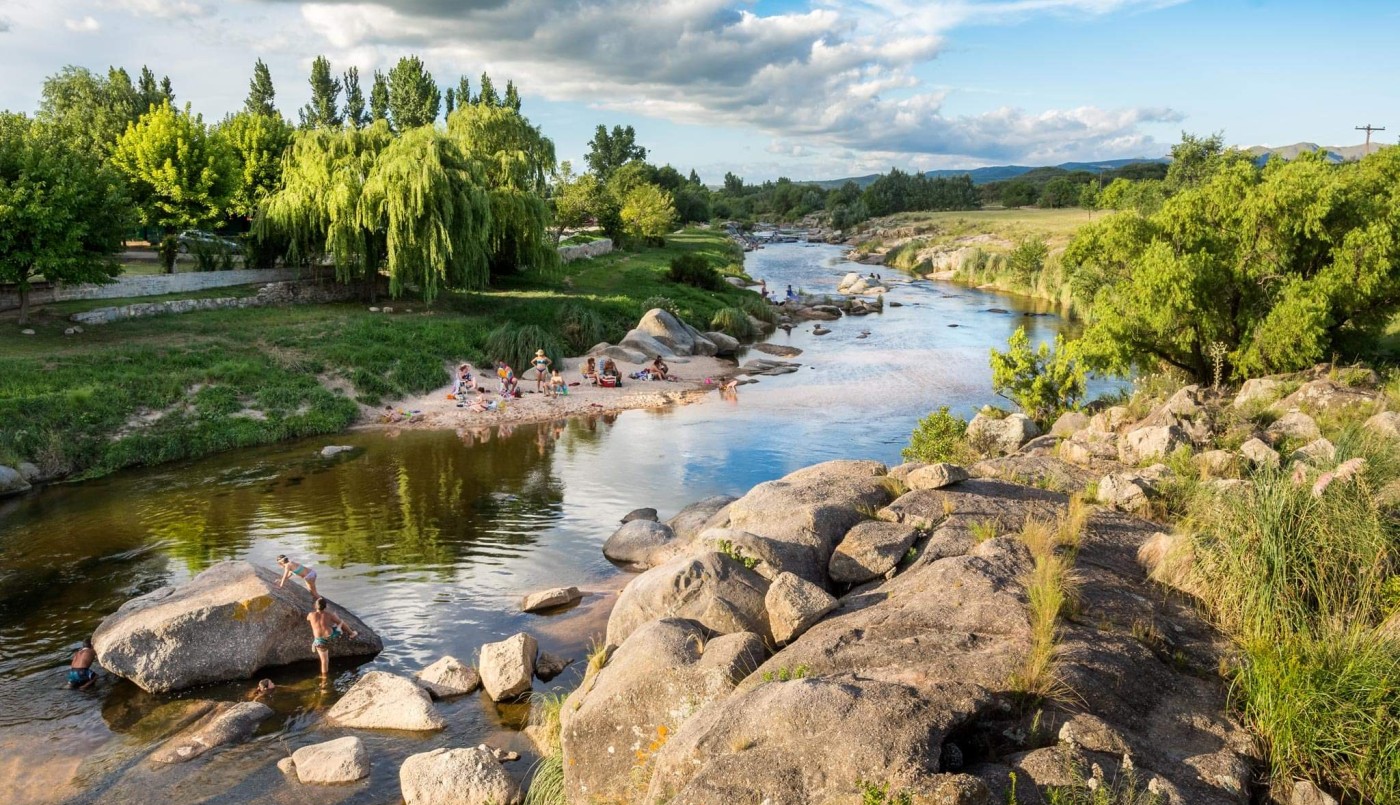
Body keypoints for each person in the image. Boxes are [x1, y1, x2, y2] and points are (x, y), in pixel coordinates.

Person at [307, 597, 358, 678]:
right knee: (340, 622)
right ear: (326, 606)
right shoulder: (329, 615)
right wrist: (334, 615)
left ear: (315, 606)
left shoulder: (310, 615)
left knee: (324, 660)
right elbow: (337, 621)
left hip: (319, 641)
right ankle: (352, 633)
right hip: (331, 636)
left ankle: (324, 679)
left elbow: (308, 619)